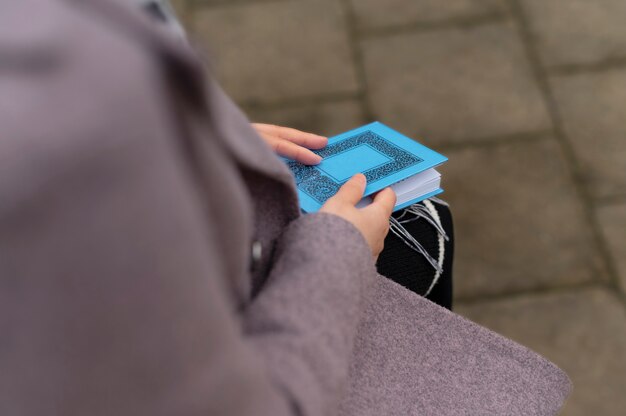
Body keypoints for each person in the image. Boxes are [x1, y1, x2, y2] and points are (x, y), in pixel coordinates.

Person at [0, 0, 571, 415]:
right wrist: (336, 255)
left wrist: (193, 135)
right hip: (282, 325)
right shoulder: (58, 118)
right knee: (417, 230)